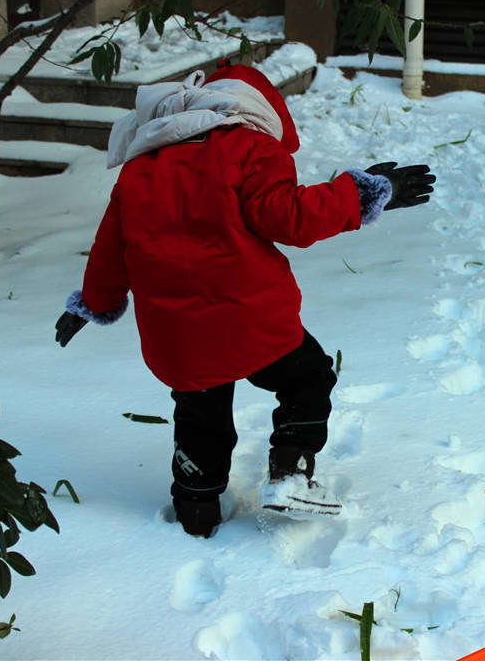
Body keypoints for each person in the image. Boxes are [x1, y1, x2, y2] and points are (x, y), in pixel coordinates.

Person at [55, 61, 435, 538]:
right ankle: (291, 473)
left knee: (200, 412)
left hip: (177, 334)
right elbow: (290, 217)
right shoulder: (249, 149)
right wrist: (364, 195)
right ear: (255, 109)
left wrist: (92, 303)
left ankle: (196, 507)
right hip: (250, 321)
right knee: (307, 379)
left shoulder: (139, 169)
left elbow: (111, 250)